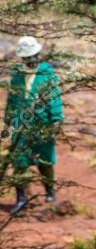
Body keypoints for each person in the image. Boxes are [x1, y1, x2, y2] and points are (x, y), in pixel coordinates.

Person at [3, 36, 63, 215]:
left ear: (38, 54)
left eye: (33, 56)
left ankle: (50, 192)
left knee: (44, 160)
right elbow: (12, 99)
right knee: (19, 162)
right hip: (21, 125)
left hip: (42, 124)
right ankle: (21, 199)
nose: (30, 60)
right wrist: (9, 120)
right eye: (26, 57)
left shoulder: (48, 74)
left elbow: (54, 98)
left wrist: (56, 119)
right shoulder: (17, 76)